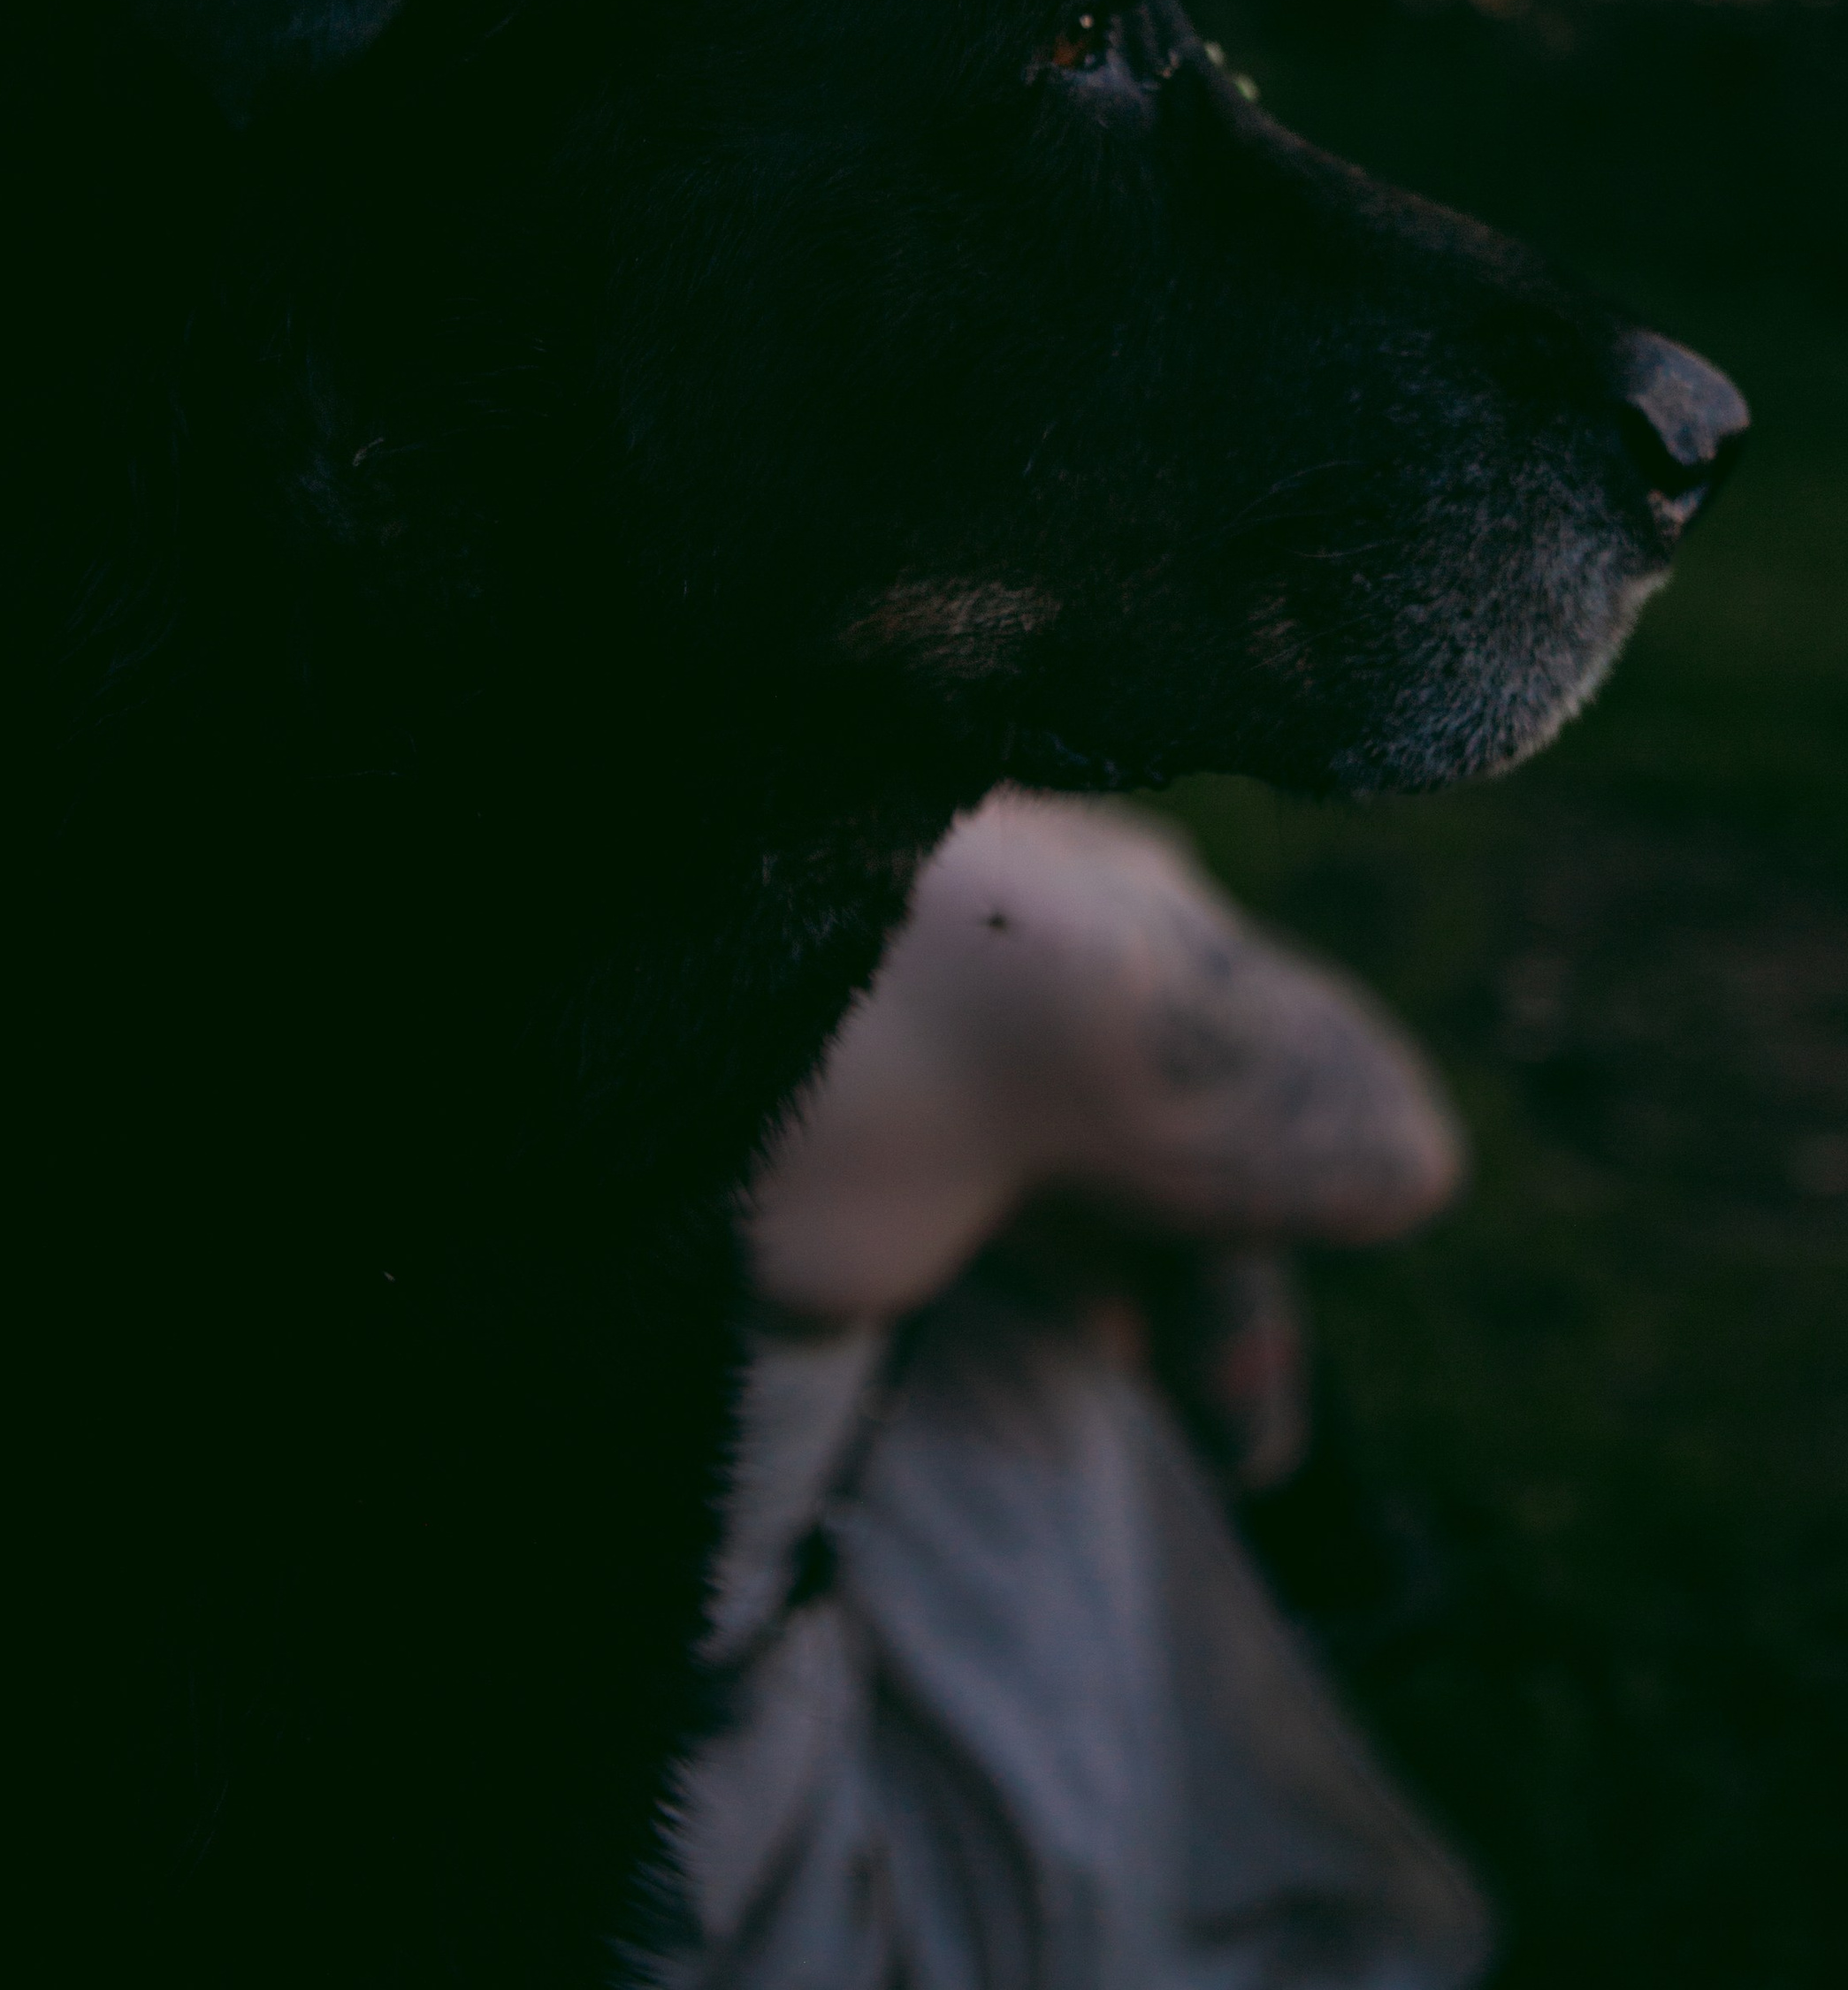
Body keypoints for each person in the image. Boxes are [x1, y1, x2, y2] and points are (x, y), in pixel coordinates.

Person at [628, 790, 1492, 1989]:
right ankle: (1296, 1532)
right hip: (654, 1874)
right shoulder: (964, 905)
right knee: (1063, 1257)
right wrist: (1112, 884)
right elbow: (1397, 1153)